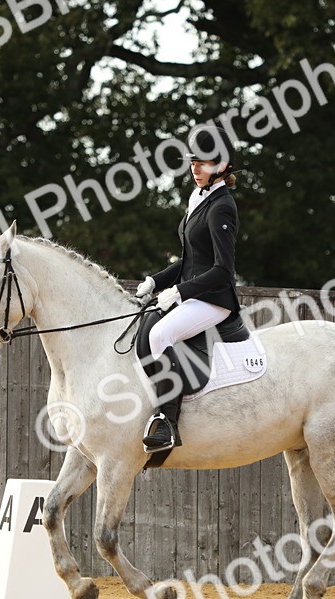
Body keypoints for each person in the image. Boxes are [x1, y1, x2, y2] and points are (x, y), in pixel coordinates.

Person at [135, 125, 242, 453]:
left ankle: (167, 421)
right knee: (143, 326)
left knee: (158, 336)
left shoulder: (222, 205)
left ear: (222, 166)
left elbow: (222, 270)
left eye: (203, 163)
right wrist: (157, 280)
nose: (195, 168)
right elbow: (189, 262)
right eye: (193, 162)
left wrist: (180, 292)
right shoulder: (199, 198)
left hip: (214, 299)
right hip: (193, 291)